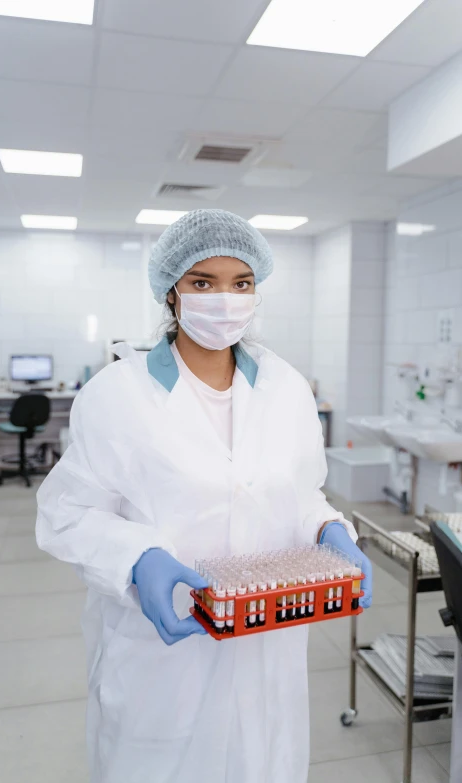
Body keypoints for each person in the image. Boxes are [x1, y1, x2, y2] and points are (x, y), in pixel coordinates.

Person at [36, 208, 372, 783]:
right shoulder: (116, 394)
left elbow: (300, 494)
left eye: (240, 283)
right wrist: (137, 559)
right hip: (164, 656)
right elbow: (68, 512)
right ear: (171, 293)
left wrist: (326, 530)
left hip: (267, 644)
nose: (224, 300)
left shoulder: (287, 388)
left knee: (263, 762)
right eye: (203, 283)